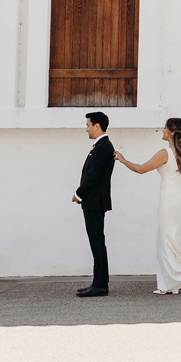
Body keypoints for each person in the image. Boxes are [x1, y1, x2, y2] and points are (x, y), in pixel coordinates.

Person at [115, 117, 181, 294]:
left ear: (171, 133)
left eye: (164, 128)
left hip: (170, 197)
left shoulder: (165, 153)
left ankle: (169, 284)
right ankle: (176, 280)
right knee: (176, 236)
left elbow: (141, 169)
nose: (161, 131)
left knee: (166, 237)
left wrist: (123, 160)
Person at [72, 112, 115, 297]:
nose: (86, 128)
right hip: (95, 201)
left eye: (88, 125)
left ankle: (100, 285)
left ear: (97, 126)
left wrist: (78, 194)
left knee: (97, 242)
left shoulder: (102, 147)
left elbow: (94, 177)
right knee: (97, 242)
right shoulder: (101, 146)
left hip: (94, 202)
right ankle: (98, 283)